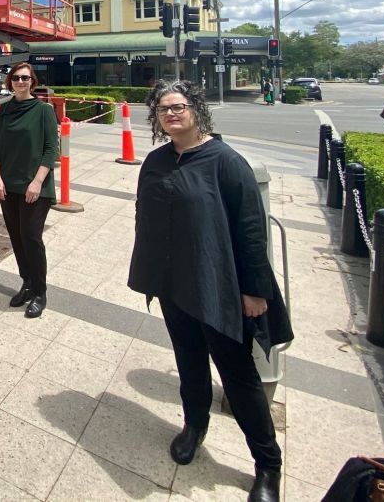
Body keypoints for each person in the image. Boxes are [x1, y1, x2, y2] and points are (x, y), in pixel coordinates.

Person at [127, 80, 291, 502]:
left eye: (179, 106)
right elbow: (144, 213)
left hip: (217, 285)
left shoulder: (226, 162)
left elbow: (252, 233)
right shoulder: (156, 161)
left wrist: (254, 291)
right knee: (189, 361)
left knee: (239, 377)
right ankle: (194, 425)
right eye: (163, 109)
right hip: (173, 283)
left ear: (197, 109)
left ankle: (267, 465)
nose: (171, 114)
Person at [0, 62, 58, 319]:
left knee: (31, 237)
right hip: (8, 186)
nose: (20, 82)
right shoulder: (4, 110)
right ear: (10, 82)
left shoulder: (43, 111)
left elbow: (51, 150)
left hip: (34, 187)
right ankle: (27, 283)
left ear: (32, 82)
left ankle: (40, 291)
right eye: (16, 78)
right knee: (16, 237)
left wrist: (37, 181)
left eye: (25, 78)